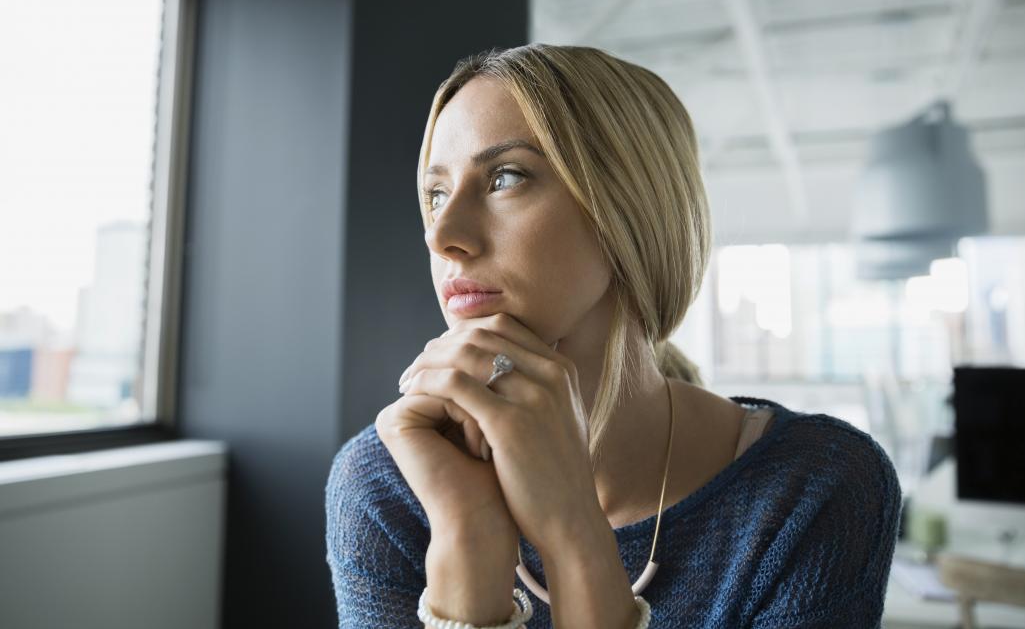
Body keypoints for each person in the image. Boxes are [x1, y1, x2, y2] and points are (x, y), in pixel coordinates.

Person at [325, 44, 902, 628]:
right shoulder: (387, 484)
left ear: (629, 207)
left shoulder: (816, 488)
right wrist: (467, 533)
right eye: (436, 194)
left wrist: (574, 536)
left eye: (505, 177)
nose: (442, 235)